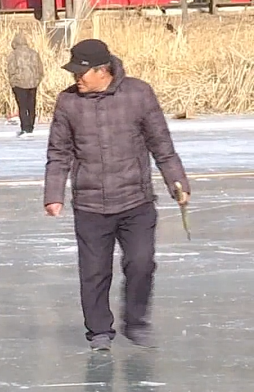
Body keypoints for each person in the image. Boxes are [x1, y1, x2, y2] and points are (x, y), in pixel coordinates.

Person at [44, 39, 190, 352]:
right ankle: (99, 331)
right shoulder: (68, 102)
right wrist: (53, 193)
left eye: (81, 73)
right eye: (74, 73)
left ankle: (136, 322)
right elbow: (59, 152)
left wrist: (176, 181)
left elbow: (161, 144)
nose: (76, 78)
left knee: (141, 263)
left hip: (136, 201)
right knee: (94, 272)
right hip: (90, 204)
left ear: (103, 70)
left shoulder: (138, 94)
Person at [5, 32, 45, 137]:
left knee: (22, 106)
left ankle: (24, 127)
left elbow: (11, 69)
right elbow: (40, 69)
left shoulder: (13, 55)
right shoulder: (34, 53)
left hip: (19, 84)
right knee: (31, 106)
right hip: (33, 84)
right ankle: (30, 126)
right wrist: (37, 80)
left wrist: (13, 83)